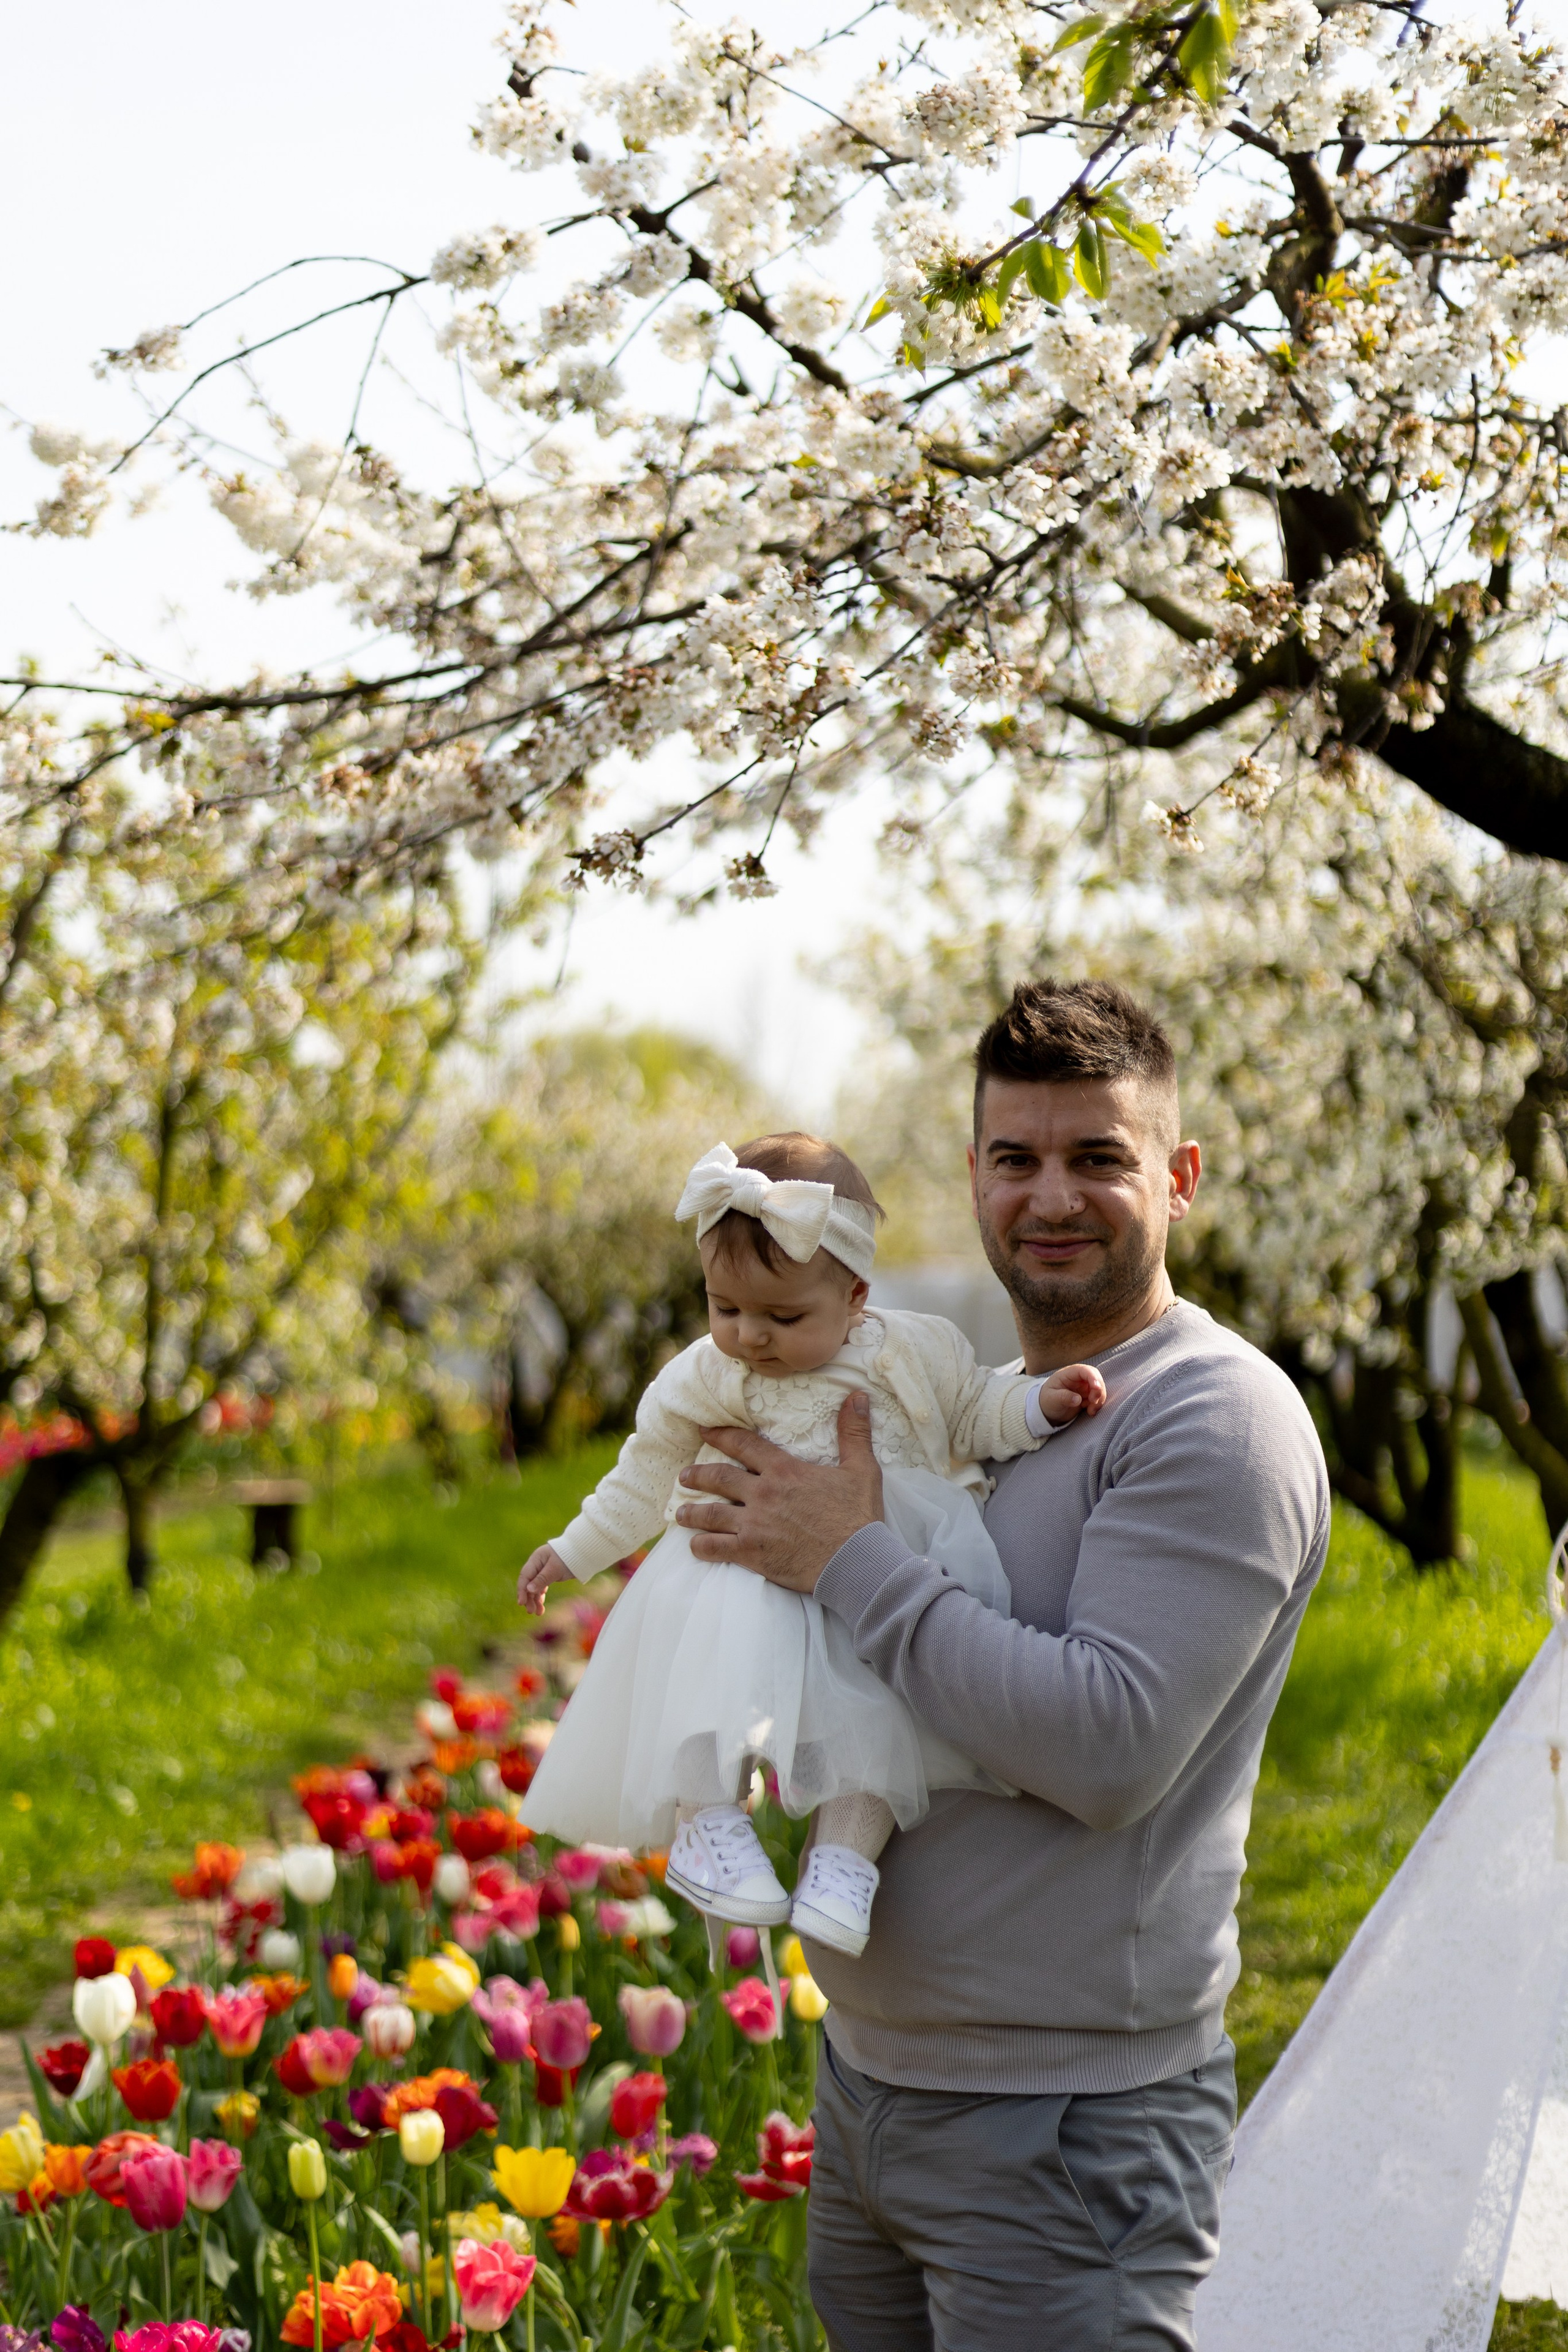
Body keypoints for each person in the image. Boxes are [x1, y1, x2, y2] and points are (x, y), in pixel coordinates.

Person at [669, 980, 1332, 2352]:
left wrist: (841, 1557)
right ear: (972, 1177)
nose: (1051, 1196)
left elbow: (1104, 1747)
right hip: (872, 2089)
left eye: (1097, 1157)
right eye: (1015, 1159)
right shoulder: (986, 1411)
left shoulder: (1212, 1417)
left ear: (1178, 1177)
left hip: (1062, 2132)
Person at [516, 1131, 1106, 1956]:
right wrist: (575, 1549)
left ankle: (842, 1865)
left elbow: (975, 1410)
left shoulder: (914, 1348)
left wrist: (1039, 1406)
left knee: (883, 1723)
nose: (751, 1335)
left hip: (877, 1570)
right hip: (742, 1574)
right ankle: (709, 1826)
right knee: (707, 1690)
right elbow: (646, 1474)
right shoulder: (707, 1373)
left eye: (783, 1316)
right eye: (726, 1309)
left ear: (857, 1293)